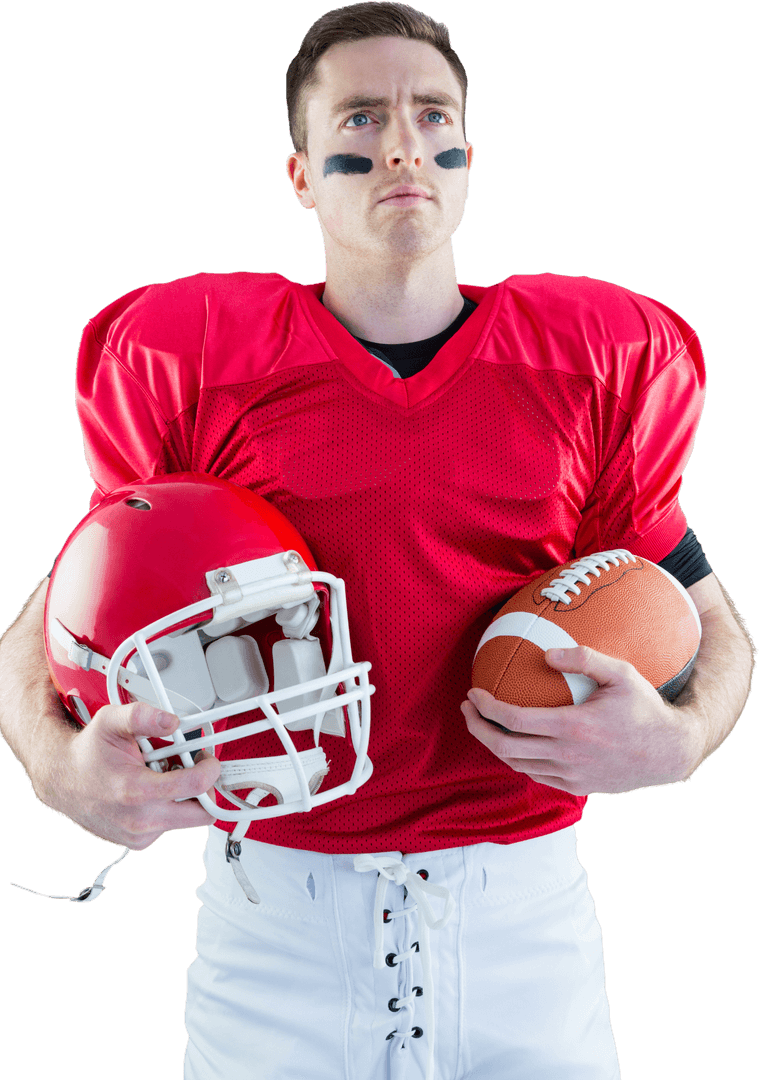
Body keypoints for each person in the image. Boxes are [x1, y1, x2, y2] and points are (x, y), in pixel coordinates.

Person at [0, 4, 753, 1079]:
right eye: (362, 115)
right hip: (276, 924)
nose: (401, 141)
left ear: (466, 161)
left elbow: (707, 613)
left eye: (429, 113)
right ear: (304, 173)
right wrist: (53, 760)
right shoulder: (201, 360)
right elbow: (69, 599)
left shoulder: (591, 360)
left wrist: (683, 741)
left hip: (524, 922)